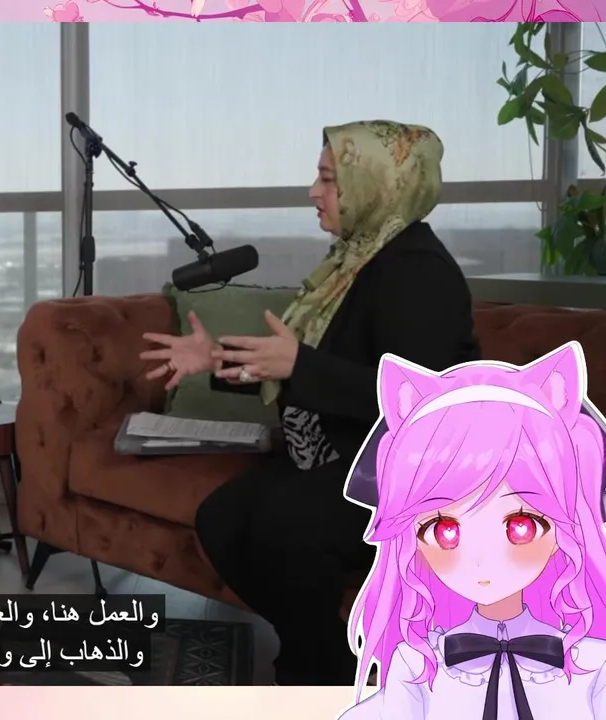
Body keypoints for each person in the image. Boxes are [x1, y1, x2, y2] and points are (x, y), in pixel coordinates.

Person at [140, 120, 480, 685]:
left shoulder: (418, 271)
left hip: (409, 473)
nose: (312, 192)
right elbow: (295, 364)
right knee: (220, 518)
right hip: (337, 456)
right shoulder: (353, 261)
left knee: (284, 525)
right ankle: (326, 654)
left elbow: (421, 404)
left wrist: (301, 365)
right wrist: (214, 359)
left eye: (328, 179)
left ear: (374, 184)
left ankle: (312, 672)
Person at [340, 344, 606, 719]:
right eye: (443, 530)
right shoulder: (417, 665)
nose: (481, 560)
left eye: (521, 526)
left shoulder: (593, 665)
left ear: (563, 532)